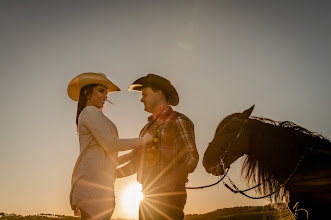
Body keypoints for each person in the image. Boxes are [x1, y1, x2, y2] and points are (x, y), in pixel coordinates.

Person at [67, 72, 159, 220]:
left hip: (99, 185)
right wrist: (146, 139)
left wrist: (130, 155)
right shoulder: (89, 112)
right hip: (92, 185)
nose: (105, 96)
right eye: (101, 91)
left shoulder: (95, 115)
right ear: (86, 92)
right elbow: (110, 144)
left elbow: (106, 157)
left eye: (106, 92)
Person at [117, 73, 199, 220]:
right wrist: (110, 174)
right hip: (147, 197)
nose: (141, 99)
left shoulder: (178, 120)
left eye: (145, 94)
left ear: (159, 94)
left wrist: (170, 179)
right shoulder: (146, 129)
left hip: (170, 199)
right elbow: (136, 162)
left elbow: (191, 157)